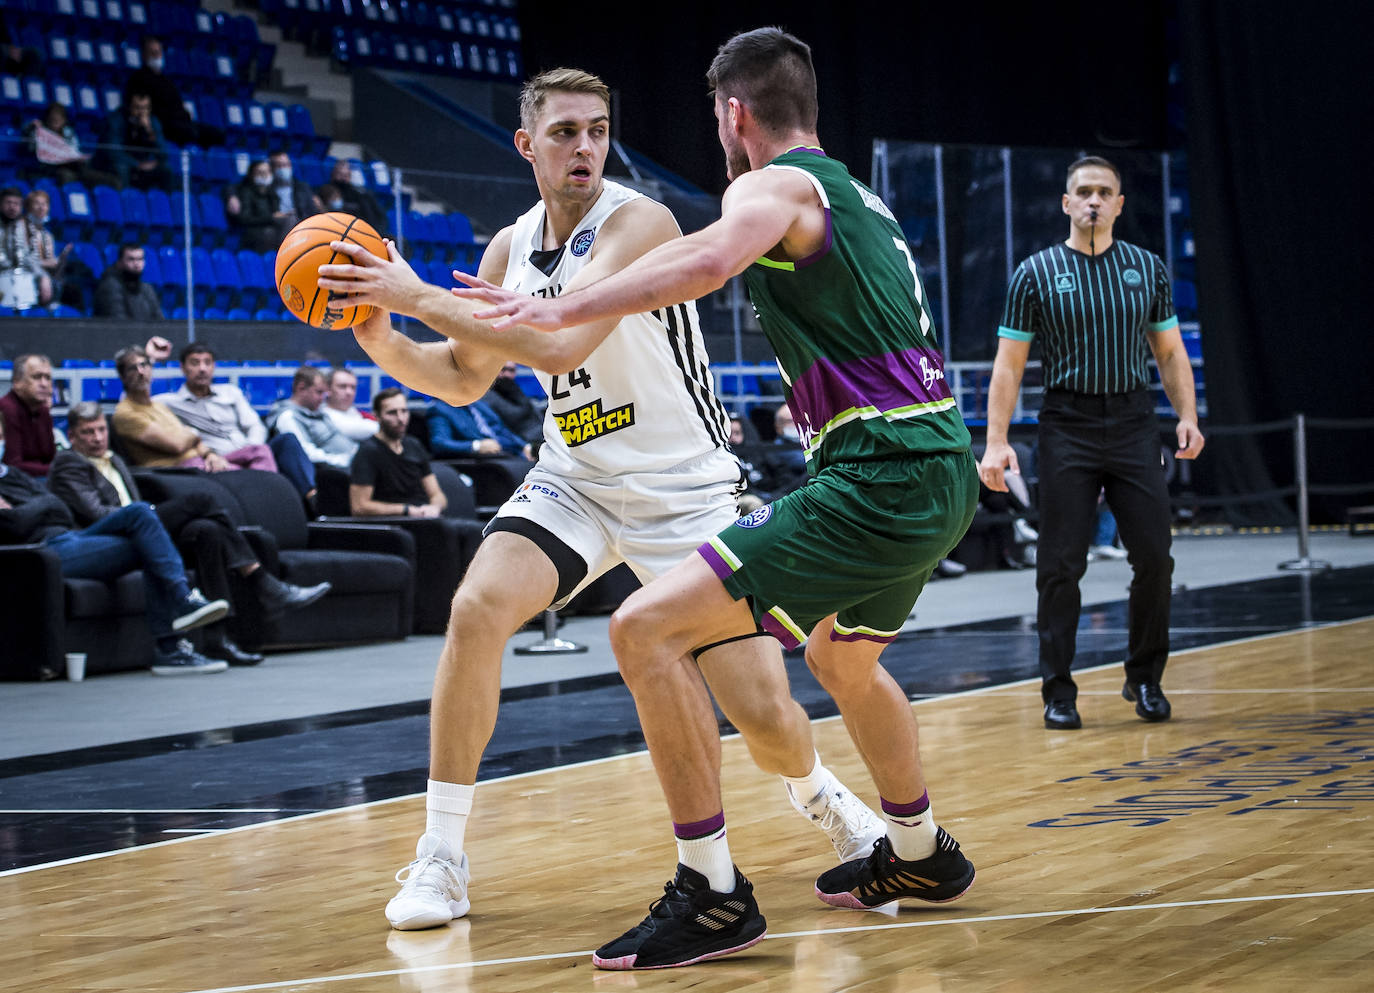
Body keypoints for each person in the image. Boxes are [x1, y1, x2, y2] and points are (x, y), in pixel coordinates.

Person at [448, 31, 980, 969]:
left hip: (876, 477)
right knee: (843, 659)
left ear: (735, 115)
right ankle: (919, 852)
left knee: (643, 630)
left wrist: (561, 306)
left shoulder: (768, 187)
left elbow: (707, 263)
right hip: (937, 464)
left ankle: (714, 893)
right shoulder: (857, 195)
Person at [316, 66, 884, 941]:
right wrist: (383, 335)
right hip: (576, 479)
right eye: (565, 132)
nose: (586, 147)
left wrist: (411, 293)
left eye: (598, 129)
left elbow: (557, 343)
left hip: (687, 491)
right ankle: (442, 854)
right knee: (475, 610)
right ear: (526, 144)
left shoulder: (641, 220)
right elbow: (465, 379)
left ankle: (826, 799)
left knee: (765, 716)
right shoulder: (508, 246)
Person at [977, 155, 1205, 731]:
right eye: (1084, 191)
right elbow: (1008, 366)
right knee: (1060, 565)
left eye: (1105, 192)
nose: (1095, 200)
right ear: (1067, 203)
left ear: (1120, 204)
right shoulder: (1035, 273)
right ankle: (1058, 690)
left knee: (1155, 556)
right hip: (1067, 424)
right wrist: (996, 441)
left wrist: (1187, 415)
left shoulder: (1147, 269)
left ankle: (1145, 677)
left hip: (1133, 422)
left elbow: (1170, 351)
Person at [51, 403, 332, 665]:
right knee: (200, 501)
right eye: (88, 432)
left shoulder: (116, 461)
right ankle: (264, 583)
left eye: (101, 429)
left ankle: (217, 639)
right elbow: (98, 514)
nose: (98, 438)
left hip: (140, 530)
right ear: (73, 437)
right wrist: (147, 512)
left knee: (207, 531)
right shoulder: (68, 464)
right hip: (100, 537)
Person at [0, 416, 230, 676]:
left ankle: (179, 616)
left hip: (70, 536)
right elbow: (14, 524)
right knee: (148, 540)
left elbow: (59, 508)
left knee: (140, 515)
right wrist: (38, 508)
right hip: (43, 554)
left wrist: (30, 509)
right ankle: (171, 641)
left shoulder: (13, 475)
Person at [158, 343, 320, 502]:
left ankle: (311, 497)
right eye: (195, 362)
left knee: (287, 440)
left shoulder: (230, 392)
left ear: (213, 366)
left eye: (207, 362)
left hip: (250, 451)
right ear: (183, 367)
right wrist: (152, 358)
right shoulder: (169, 402)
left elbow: (254, 425)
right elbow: (137, 402)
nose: (202, 368)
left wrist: (249, 449)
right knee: (260, 458)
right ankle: (270, 499)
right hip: (216, 459)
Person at [112, 344, 234, 470]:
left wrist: (210, 455)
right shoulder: (125, 413)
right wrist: (193, 432)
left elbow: (195, 441)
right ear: (122, 376)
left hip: (201, 461)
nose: (141, 372)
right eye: (132, 368)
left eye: (144, 365)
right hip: (177, 471)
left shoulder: (159, 406)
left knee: (254, 453)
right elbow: (177, 445)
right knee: (242, 477)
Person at [349, 388, 445, 517]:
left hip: (426, 517)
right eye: (392, 413)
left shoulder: (414, 445)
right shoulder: (367, 452)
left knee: (472, 531)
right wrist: (407, 510)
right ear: (377, 416)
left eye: (404, 411)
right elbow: (359, 506)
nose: (401, 418)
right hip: (395, 523)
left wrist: (434, 507)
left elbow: (437, 494)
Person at [123, 35, 224, 148]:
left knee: (217, 134)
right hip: (163, 124)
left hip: (182, 122)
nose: (157, 56)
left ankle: (207, 162)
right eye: (153, 52)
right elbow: (141, 107)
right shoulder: (138, 79)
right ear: (144, 55)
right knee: (189, 133)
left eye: (159, 52)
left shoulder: (166, 80)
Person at [272, 367, 359, 470]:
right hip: (335, 471)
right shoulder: (287, 416)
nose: (323, 398)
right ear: (301, 388)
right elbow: (307, 454)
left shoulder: (317, 411)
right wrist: (345, 460)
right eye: (319, 392)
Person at [99, 92, 173, 192]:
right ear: (129, 107)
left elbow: (164, 154)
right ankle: (124, 202)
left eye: (146, 108)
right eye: (137, 108)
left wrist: (150, 131)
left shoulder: (152, 122)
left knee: (165, 170)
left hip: (141, 164)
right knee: (121, 168)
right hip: (121, 163)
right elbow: (114, 152)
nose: (142, 113)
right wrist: (137, 164)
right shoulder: (116, 119)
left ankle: (164, 204)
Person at [0, 354, 57, 476]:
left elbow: (50, 456)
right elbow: (13, 465)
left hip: (43, 479)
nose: (44, 384)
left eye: (48, 378)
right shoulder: (7, 409)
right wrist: (55, 470)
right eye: (37, 377)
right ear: (17, 381)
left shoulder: (43, 411)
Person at [425, 396, 533, 460]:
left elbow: (501, 429)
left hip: (510, 452)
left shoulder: (478, 403)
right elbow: (439, 443)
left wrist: (523, 446)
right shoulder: (439, 409)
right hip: (488, 461)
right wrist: (476, 446)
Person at [0, 186, 52, 310]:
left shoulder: (23, 228)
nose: (12, 207)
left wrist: (43, 276)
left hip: (21, 278)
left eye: (16, 204)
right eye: (8, 203)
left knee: (52, 285)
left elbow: (28, 256)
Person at [224, 159, 284, 253]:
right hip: (252, 232)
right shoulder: (246, 192)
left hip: (271, 228)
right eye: (260, 172)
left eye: (267, 172)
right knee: (270, 233)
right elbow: (245, 219)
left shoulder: (273, 194)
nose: (264, 175)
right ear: (252, 175)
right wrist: (271, 218)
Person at [319, 159, 389, 236]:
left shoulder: (361, 192)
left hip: (364, 228)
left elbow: (378, 214)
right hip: (342, 228)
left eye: (346, 175)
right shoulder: (329, 190)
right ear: (334, 174)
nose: (343, 178)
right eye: (340, 174)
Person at [94, 243, 164, 320]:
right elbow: (117, 322)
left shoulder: (147, 288)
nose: (136, 264)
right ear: (119, 262)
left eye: (140, 259)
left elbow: (159, 319)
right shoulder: (109, 286)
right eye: (131, 259)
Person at [481, 361, 544, 445]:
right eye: (503, 369)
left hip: (541, 434)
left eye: (511, 370)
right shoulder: (487, 396)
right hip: (522, 443)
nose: (507, 374)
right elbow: (506, 423)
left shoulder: (513, 388)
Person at [266, 150, 323, 235]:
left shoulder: (302, 187)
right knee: (290, 220)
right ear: (272, 168)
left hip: (299, 222)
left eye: (286, 165)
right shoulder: (266, 188)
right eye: (279, 166)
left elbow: (310, 211)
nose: (283, 168)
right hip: (276, 223)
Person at [322, 367, 378, 442]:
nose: (349, 392)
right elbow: (353, 428)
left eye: (353, 387)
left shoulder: (354, 411)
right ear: (328, 389)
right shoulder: (322, 414)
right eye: (342, 386)